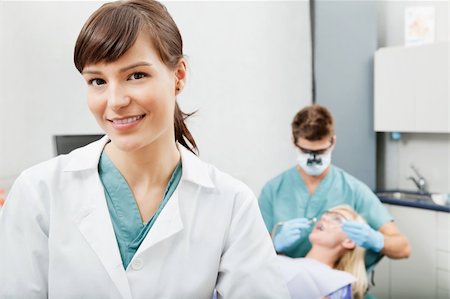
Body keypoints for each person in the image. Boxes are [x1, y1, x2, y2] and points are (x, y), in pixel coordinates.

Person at [0, 1, 290, 298]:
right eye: (97, 81)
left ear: (178, 76)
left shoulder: (230, 203)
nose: (115, 101)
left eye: (136, 75)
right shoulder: (38, 192)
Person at [259, 104, 410, 272]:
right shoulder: (273, 191)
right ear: (294, 142)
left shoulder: (355, 190)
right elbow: (251, 254)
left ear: (333, 142)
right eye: (306, 151)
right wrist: (273, 245)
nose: (314, 159)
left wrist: (376, 240)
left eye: (321, 151)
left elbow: (403, 248)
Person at [277, 205, 369, 299]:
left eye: (337, 219)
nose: (324, 217)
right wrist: (273, 248)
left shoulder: (338, 283)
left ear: (349, 241)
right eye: (326, 214)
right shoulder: (283, 261)